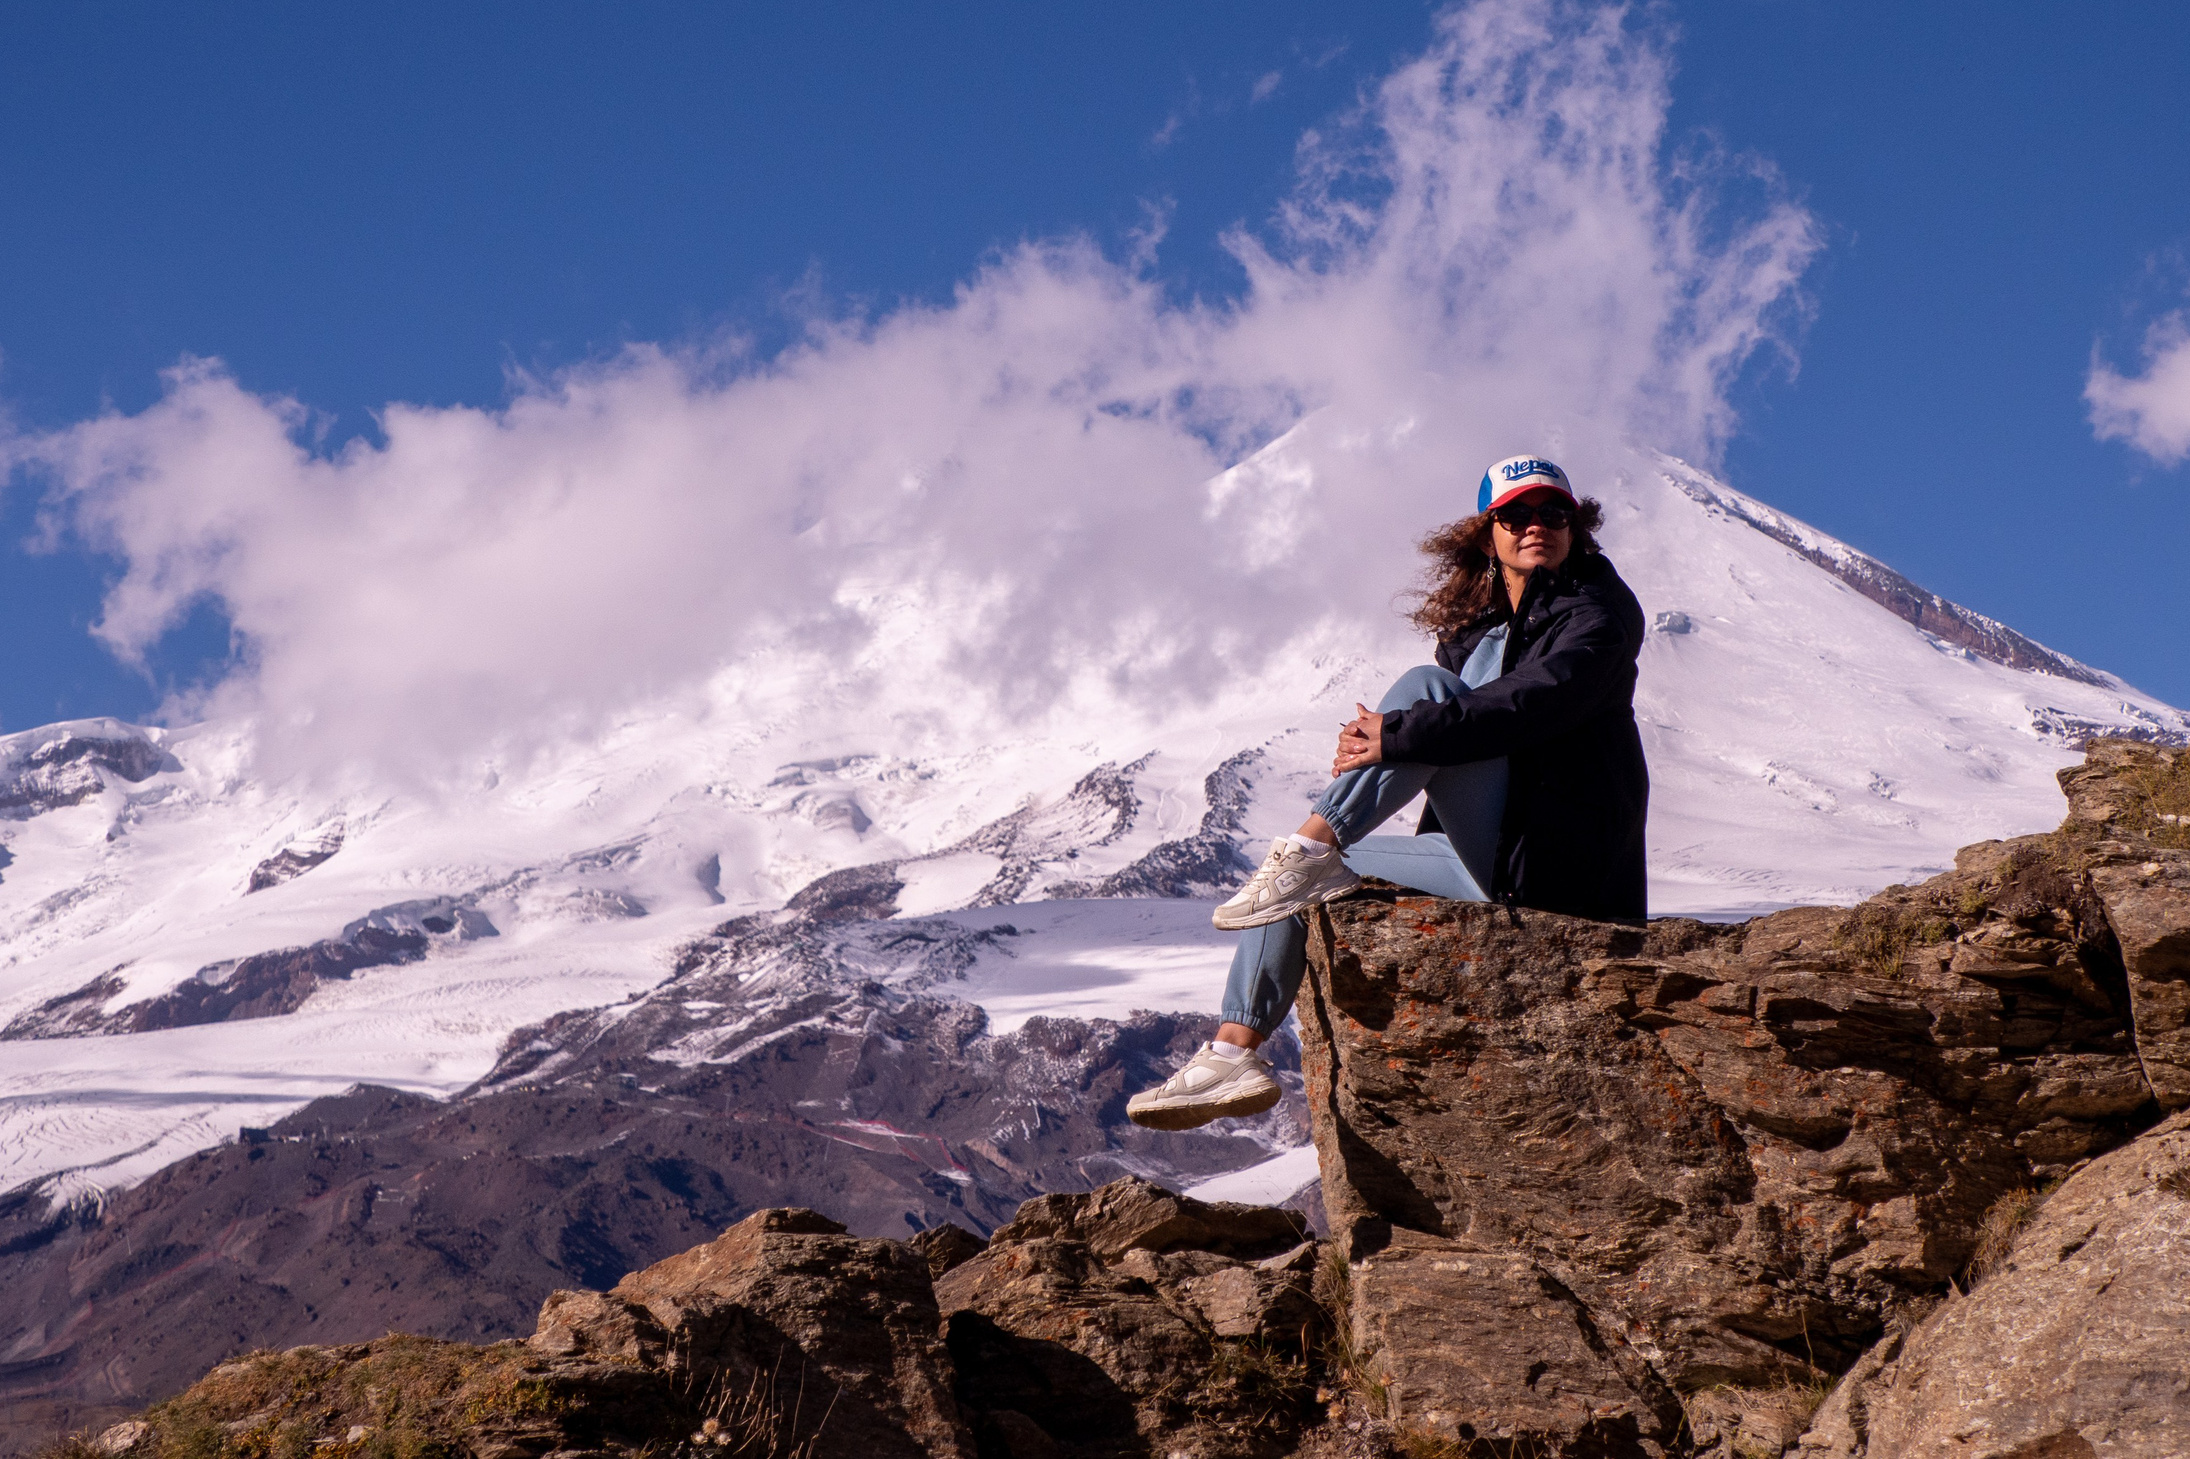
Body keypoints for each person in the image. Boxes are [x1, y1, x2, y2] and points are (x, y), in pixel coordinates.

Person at [1126, 454, 1648, 1131]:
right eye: (1516, 515)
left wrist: (1397, 734)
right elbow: (1475, 722)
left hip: (1560, 870)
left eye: (1554, 513)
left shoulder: (1598, 615)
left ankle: (1314, 843)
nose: (1536, 526)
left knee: (1420, 695)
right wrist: (1389, 740)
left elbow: (1531, 704)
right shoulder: (1486, 637)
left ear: (1577, 527)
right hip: (1490, 855)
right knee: (1301, 882)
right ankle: (1233, 1052)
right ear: (1487, 534)